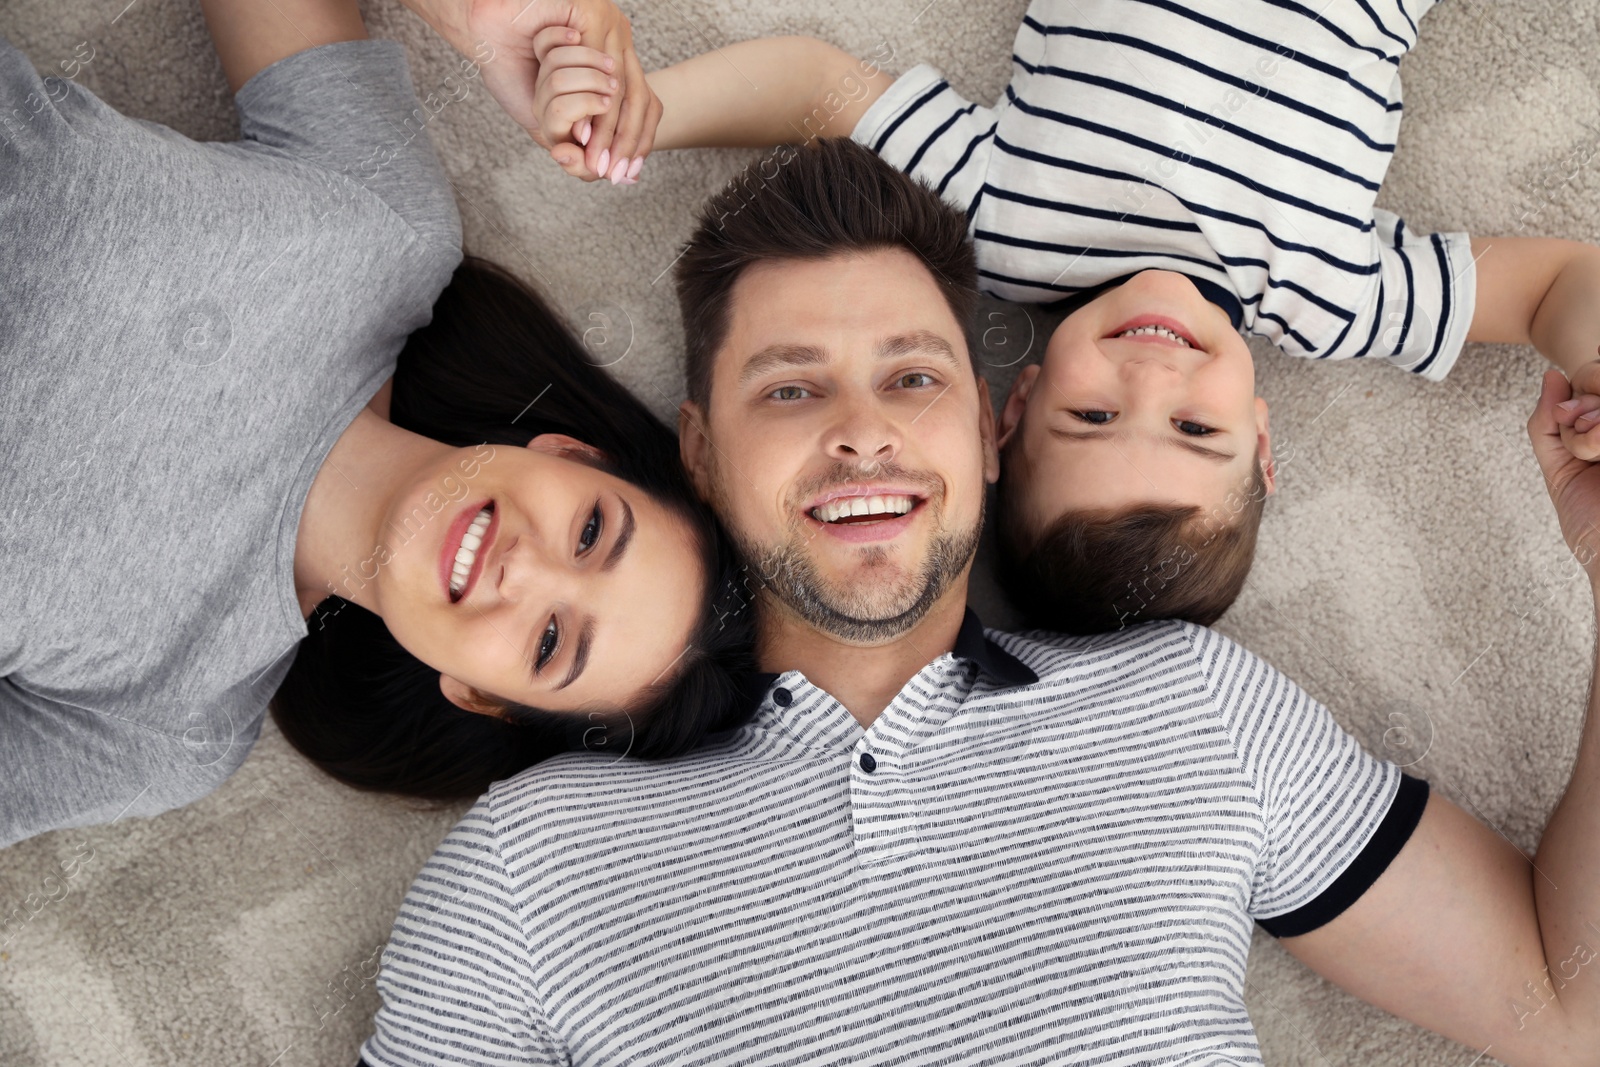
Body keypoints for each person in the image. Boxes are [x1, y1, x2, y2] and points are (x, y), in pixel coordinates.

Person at [358, 137, 1600, 1066]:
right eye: (790, 392)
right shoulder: (528, 864)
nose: (861, 435)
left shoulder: (1191, 707)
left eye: (912, 375)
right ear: (696, 451)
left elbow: (1565, 1001)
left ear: (992, 430)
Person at [533, 0, 1600, 636]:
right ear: (1265, 444)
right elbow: (1556, 290)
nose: (1149, 381)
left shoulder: (1001, 229)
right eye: (1195, 430)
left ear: (1018, 404)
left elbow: (820, 93)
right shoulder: (1329, 300)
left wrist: (656, 110)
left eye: (1092, 419)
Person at [0, 0, 751, 849]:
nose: (526, 569)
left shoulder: (168, 730)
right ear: (569, 451)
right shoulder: (389, 230)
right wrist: (483, 16)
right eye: (588, 530)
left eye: (548, 641)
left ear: (477, 694)